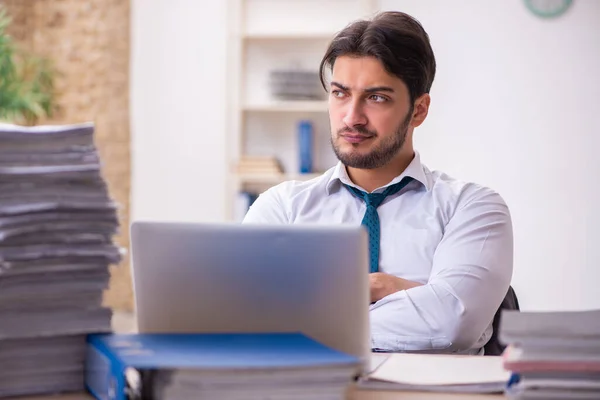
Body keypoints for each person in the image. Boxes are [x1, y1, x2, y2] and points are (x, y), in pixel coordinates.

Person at [243, 11, 513, 355]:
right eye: (340, 93)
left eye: (377, 98)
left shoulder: (472, 208)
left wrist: (302, 315)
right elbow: (247, 316)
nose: (352, 116)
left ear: (418, 110)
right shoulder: (281, 207)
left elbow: (451, 324)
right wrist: (401, 292)